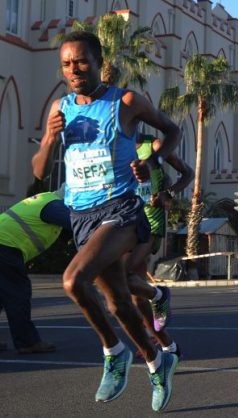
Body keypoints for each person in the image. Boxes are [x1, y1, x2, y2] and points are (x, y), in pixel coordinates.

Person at [31, 31, 180, 411]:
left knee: (73, 280)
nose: (74, 70)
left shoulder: (125, 102)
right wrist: (49, 140)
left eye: (81, 61)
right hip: (82, 217)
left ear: (98, 62)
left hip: (120, 210)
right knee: (118, 305)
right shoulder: (60, 108)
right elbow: (39, 171)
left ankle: (114, 352)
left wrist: (150, 161)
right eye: (66, 64)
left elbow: (172, 130)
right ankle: (157, 361)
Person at [126, 131, 194, 356]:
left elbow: (188, 173)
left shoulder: (154, 146)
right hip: (125, 220)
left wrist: (167, 193)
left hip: (151, 222)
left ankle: (158, 298)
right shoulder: (115, 146)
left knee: (126, 273)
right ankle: (153, 334)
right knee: (134, 286)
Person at [0, 189, 70, 354]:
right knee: (18, 295)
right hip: (5, 247)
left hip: (5, 245)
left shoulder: (46, 201)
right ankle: (27, 342)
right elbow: (77, 223)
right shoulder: (55, 206)